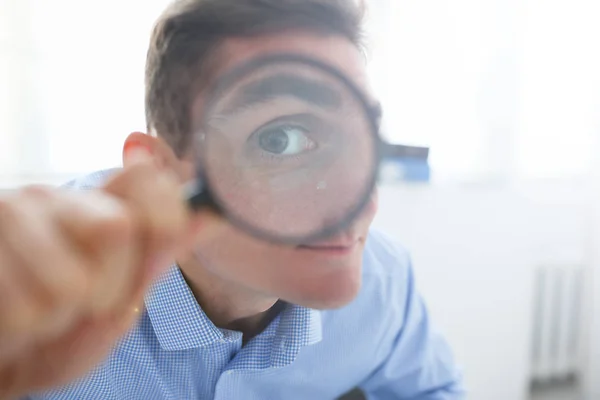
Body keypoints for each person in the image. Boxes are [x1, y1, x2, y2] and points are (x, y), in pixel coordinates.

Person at [0, 0, 465, 399]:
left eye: (364, 139)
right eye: (280, 140)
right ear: (157, 171)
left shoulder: (385, 283)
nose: (357, 200)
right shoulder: (34, 302)